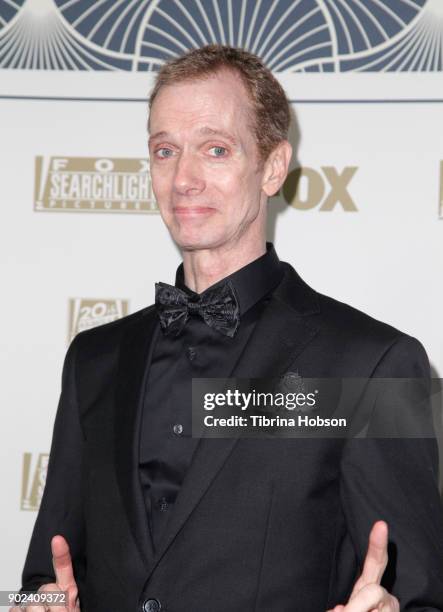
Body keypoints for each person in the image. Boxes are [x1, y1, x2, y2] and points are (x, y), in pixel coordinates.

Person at [16, 45, 443, 612]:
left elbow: (422, 596)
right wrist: (31, 602)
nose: (184, 178)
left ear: (272, 167)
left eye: (215, 149)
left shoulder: (371, 365)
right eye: (165, 150)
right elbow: (43, 574)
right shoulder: (94, 358)